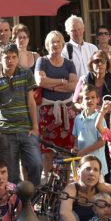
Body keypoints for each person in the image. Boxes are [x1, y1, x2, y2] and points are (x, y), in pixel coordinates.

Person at [0, 42, 41, 185]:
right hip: (6, 132)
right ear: (0, 59)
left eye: (13, 57)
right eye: (6, 58)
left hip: (26, 130)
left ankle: (32, 196)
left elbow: (31, 101)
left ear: (17, 58)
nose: (10, 60)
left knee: (36, 164)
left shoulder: (26, 74)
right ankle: (17, 203)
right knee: (11, 175)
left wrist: (35, 127)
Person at [35, 30, 77, 177]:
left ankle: (65, 181)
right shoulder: (42, 61)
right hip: (48, 112)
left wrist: (50, 84)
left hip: (67, 110)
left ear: (62, 44)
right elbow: (40, 81)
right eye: (52, 41)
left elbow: (73, 86)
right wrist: (60, 82)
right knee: (47, 150)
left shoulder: (69, 64)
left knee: (67, 149)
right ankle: (47, 180)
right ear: (47, 45)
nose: (56, 44)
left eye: (58, 41)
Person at [72, 86, 108, 174]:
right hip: (82, 163)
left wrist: (84, 151)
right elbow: (76, 138)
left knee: (99, 186)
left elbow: (102, 142)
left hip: (97, 163)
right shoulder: (77, 118)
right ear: (81, 101)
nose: (90, 100)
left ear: (98, 100)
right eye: (87, 98)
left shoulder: (100, 119)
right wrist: (75, 148)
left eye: (93, 97)